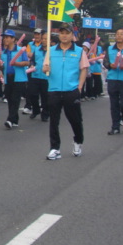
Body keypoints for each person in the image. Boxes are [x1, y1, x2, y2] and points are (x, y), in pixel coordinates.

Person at [42, 24, 89, 160]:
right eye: (61, 33)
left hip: (71, 91)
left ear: (72, 36)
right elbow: (44, 69)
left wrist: (79, 87)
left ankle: (78, 141)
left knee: (75, 120)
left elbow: (84, 69)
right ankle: (55, 148)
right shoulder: (51, 51)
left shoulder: (79, 51)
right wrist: (45, 69)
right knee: (54, 121)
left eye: (67, 33)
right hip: (54, 90)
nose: (64, 35)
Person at [1, 29, 29, 129]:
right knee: (9, 98)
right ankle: (15, 120)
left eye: (7, 37)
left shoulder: (20, 50)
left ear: (13, 39)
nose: (5, 39)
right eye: (4, 37)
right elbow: (3, 66)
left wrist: (16, 63)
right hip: (8, 79)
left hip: (19, 79)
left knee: (15, 99)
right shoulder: (3, 52)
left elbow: (26, 63)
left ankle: (9, 119)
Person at [28, 31, 49, 121]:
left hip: (46, 77)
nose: (44, 40)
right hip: (35, 75)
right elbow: (32, 60)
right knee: (32, 94)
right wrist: (32, 65)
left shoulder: (52, 51)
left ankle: (45, 113)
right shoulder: (36, 49)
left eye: (46, 39)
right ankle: (36, 110)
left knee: (45, 97)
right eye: (43, 39)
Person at [23, 28, 43, 114]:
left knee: (42, 90)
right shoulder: (30, 44)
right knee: (30, 89)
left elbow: (31, 54)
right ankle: (28, 106)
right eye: (35, 34)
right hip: (31, 69)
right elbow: (27, 54)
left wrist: (33, 54)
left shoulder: (45, 44)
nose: (37, 36)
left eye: (38, 34)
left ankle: (42, 106)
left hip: (42, 71)